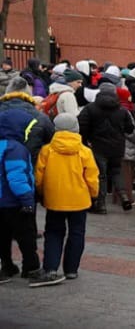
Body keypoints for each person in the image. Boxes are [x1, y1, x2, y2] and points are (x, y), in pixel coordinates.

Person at [29, 114, 98, 286]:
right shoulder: (84, 151)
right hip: (79, 200)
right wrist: (93, 194)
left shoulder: (47, 150)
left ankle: (51, 268)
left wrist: (42, 192)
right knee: (77, 233)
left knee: (53, 233)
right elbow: (92, 177)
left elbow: (39, 177)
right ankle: (71, 269)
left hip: (54, 199)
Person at [78, 84, 135, 215]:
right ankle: (124, 197)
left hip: (97, 146)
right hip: (117, 146)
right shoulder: (121, 109)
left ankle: (101, 204)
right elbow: (130, 129)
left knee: (100, 175)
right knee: (116, 171)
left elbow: (82, 126)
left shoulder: (90, 108)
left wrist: (86, 141)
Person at [0, 115, 39, 283]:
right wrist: (27, 200)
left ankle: (6, 267)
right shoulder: (15, 148)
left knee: (2, 237)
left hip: (1, 201)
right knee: (26, 236)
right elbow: (17, 178)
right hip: (13, 201)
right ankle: (31, 268)